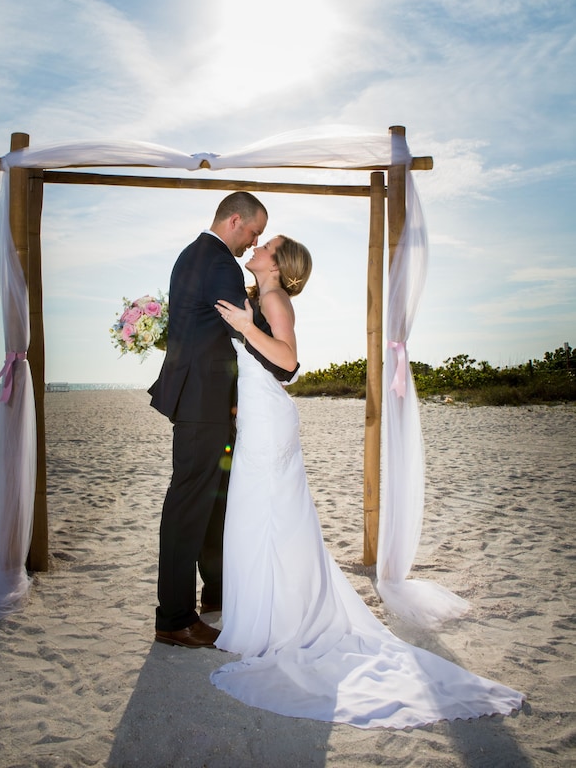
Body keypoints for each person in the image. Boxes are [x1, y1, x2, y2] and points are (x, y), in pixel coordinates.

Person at [211, 235, 525, 729]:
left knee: (267, 517)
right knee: (259, 518)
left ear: (277, 264)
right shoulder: (256, 297)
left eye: (265, 245)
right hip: (254, 415)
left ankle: (276, 621)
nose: (256, 248)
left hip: (269, 423)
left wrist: (248, 327)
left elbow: (289, 361)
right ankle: (263, 614)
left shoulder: (272, 300)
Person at [148, 192, 297, 649]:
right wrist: (273, 306)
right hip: (204, 404)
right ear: (236, 220)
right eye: (253, 232)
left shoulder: (191, 255)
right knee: (188, 506)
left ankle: (214, 591)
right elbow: (253, 335)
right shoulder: (221, 265)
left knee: (213, 501)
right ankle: (174, 617)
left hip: (204, 401)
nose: (253, 242)